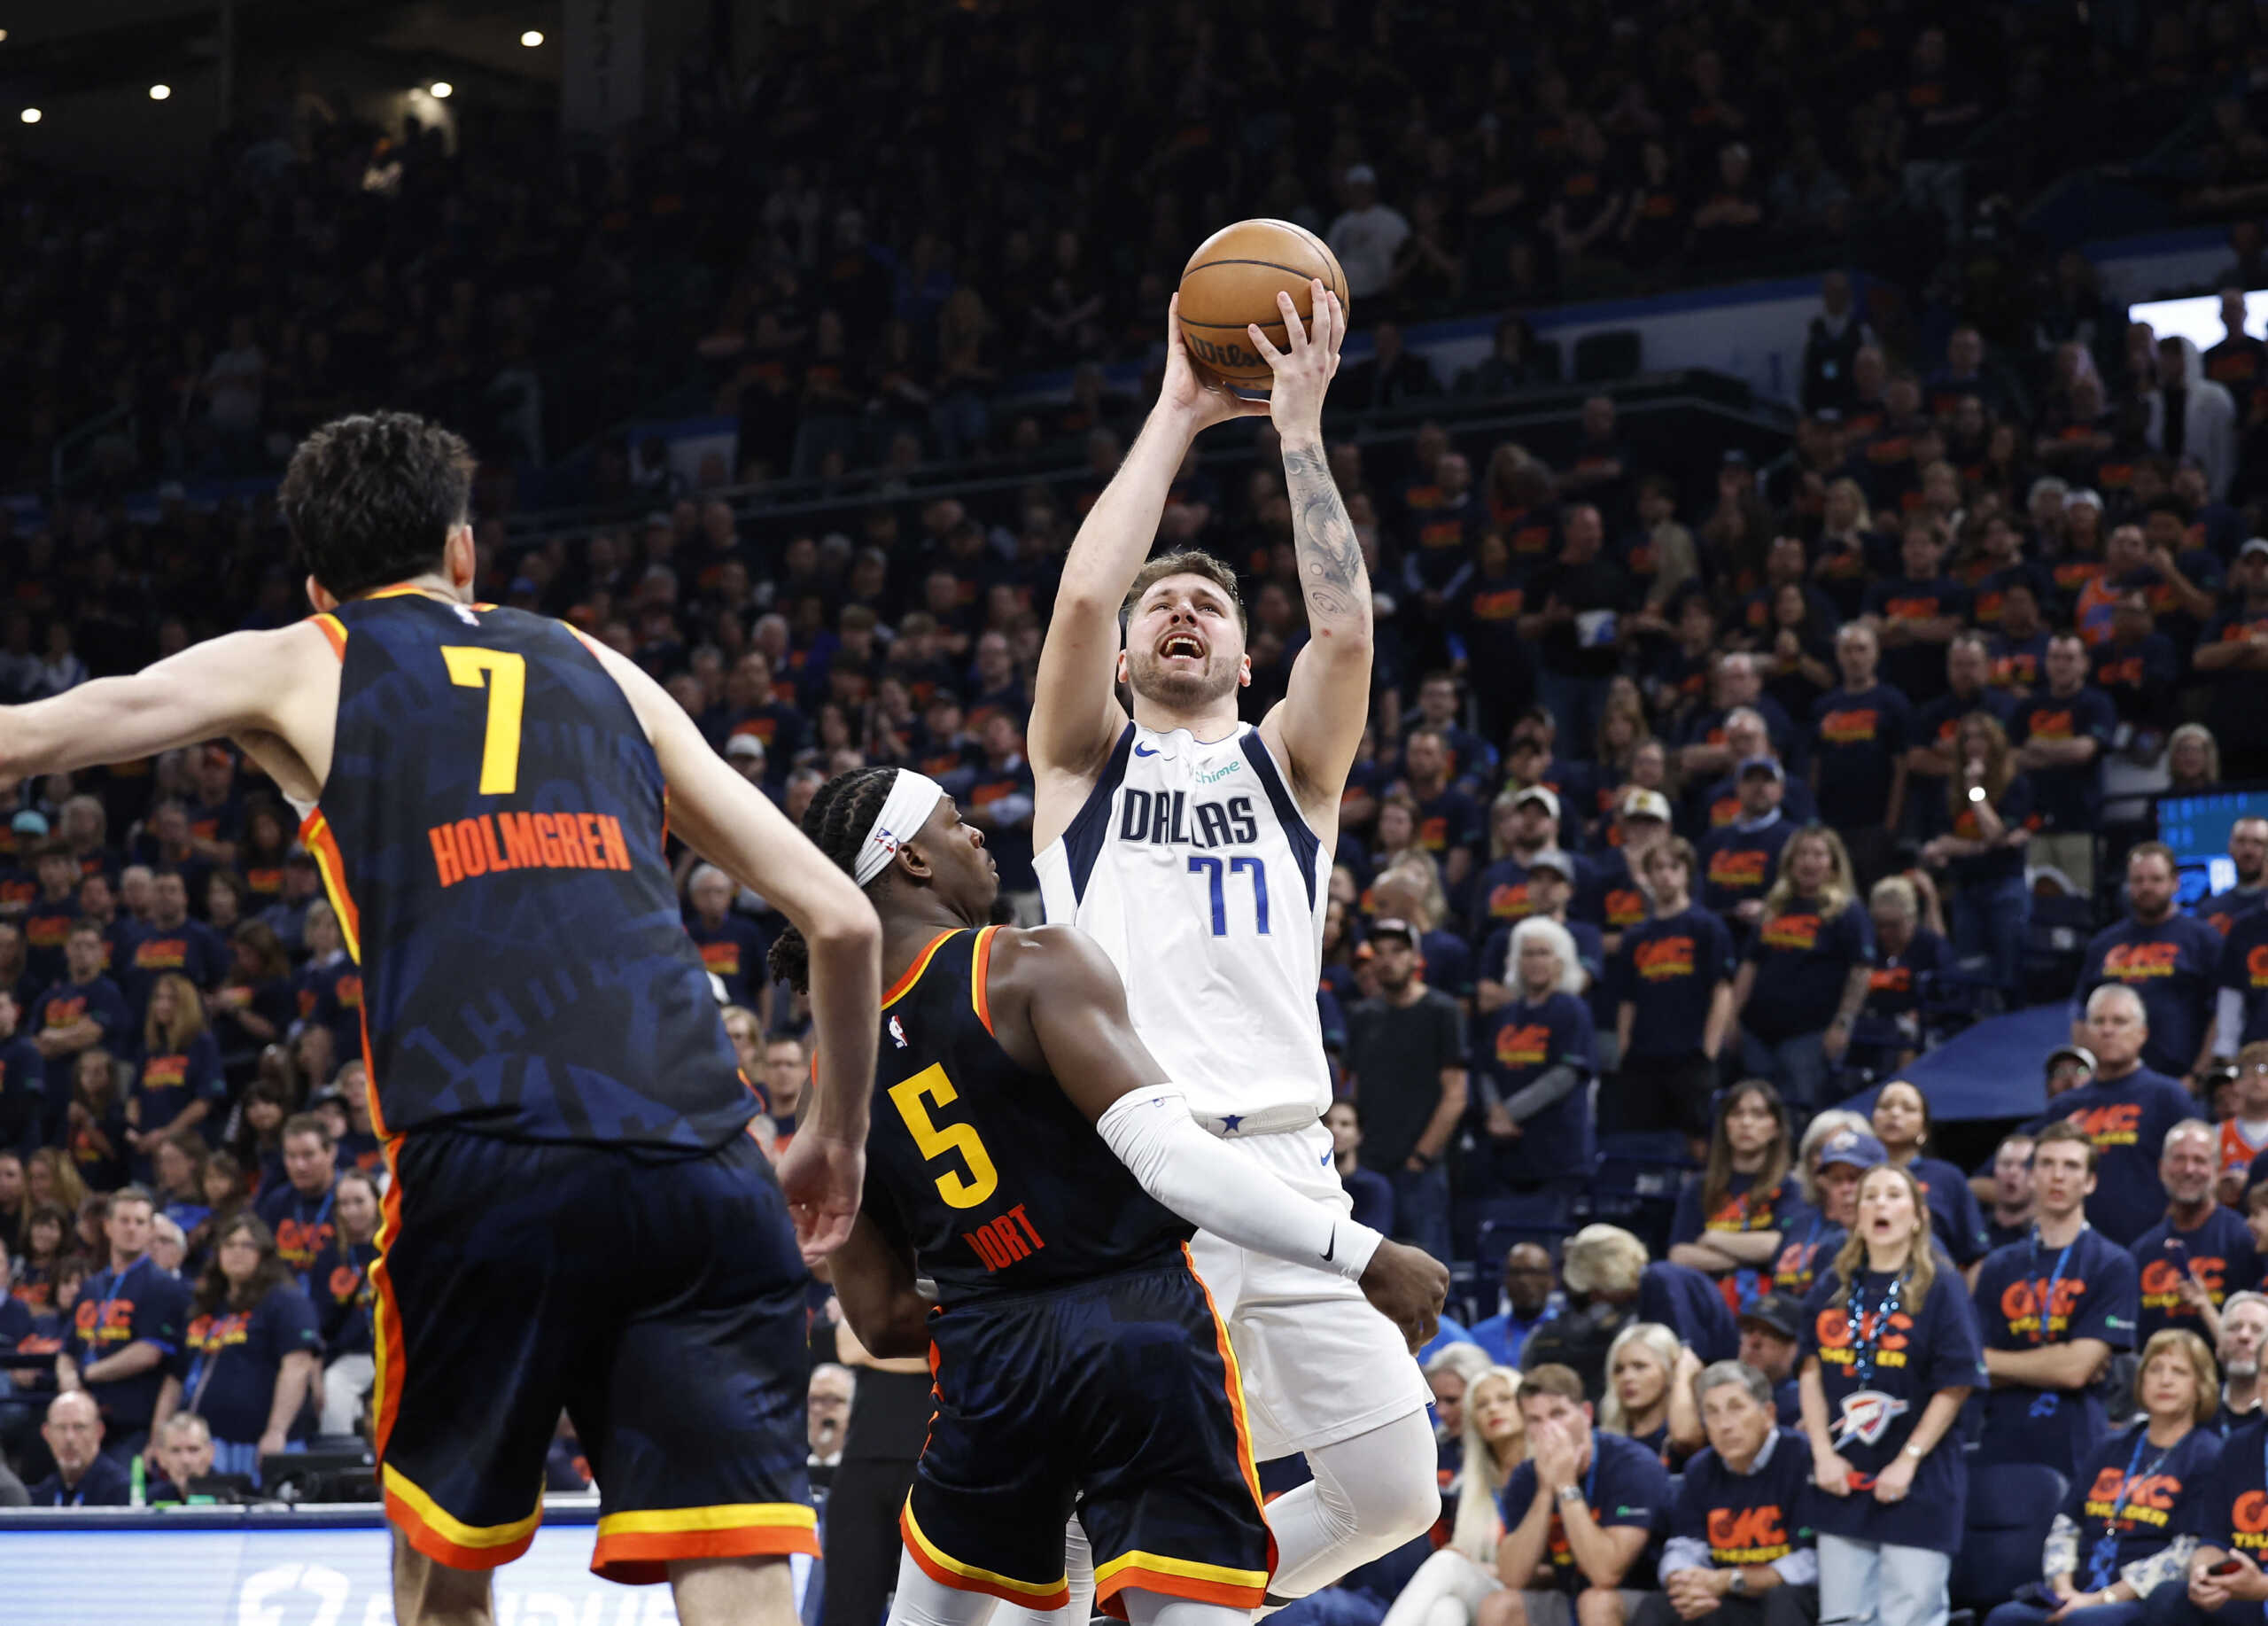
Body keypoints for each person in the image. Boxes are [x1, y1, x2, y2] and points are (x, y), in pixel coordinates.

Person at [0, 409, 885, 1622]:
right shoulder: (602, 665)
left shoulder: (308, 654)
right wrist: (834, 1134)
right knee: (730, 1567)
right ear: (464, 551)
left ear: (319, 581)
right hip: (704, 1162)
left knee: (441, 1580)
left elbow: (38, 735)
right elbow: (843, 922)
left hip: (491, 1150)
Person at [791, 766, 1446, 1626]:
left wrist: (1003, 1308)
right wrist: (1363, 1251)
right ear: (909, 857)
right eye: (954, 822)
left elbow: (877, 1320)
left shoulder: (825, 1077)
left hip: (989, 1355)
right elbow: (1168, 1157)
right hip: (1134, 1326)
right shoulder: (1028, 960)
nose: (977, 833)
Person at [1025, 284, 1442, 1607]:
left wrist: (1301, 434)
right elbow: (1088, 591)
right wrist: (1179, 410)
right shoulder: (1081, 765)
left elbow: (1351, 631)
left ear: (1248, 657)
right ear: (1134, 654)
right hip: (1141, 1177)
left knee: (1396, 1494)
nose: (1183, 613)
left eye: (1209, 602)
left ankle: (1187, 1603)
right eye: (1166, 611)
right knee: (1098, 1500)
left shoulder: (1291, 770)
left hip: (1292, 1161)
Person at [1797, 1164, 1984, 1626]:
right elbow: (1810, 1371)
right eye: (1870, 1197)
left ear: (1918, 1216)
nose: (1881, 1204)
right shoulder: (1831, 1287)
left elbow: (1955, 1383)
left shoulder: (1940, 1285)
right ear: (1857, 1216)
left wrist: (1908, 1459)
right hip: (1843, 1475)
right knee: (1844, 1618)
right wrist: (1822, 1455)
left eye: (1894, 1196)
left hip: (1920, 1480)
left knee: (1910, 1615)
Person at [1981, 1329, 2222, 1626]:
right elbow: (2066, 1527)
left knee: (2086, 1623)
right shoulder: (2110, 1447)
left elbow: (2184, 1554)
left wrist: (2099, 1600)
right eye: (2155, 1369)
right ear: (2141, 1379)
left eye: (2179, 1372)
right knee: (2006, 1618)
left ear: (2201, 1385)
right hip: (2077, 1592)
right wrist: (2064, 1590)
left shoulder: (2208, 1455)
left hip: (2140, 1600)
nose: (2165, 1380)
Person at [1973, 1123, 2140, 1478]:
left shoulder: (2113, 1263)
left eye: (2071, 1166)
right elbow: (1972, 1366)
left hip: (2078, 1449)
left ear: (2090, 1182)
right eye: (2047, 1164)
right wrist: (2055, 1362)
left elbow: (2076, 1370)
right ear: (2031, 1177)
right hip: (2002, 1445)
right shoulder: (1999, 1265)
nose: (2058, 1176)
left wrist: (2001, 1363)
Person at [1482, 1362, 1670, 1626]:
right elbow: (1512, 1577)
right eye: (1534, 1420)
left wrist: (1566, 1485)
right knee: (1499, 1605)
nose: (1548, 1429)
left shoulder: (1633, 1465)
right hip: (1569, 1597)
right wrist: (1546, 1491)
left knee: (1596, 1600)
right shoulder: (1526, 1477)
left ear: (1586, 1413)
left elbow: (1605, 1573)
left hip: (1641, 1600)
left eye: (1558, 1414)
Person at [1635, 1360, 1820, 1626]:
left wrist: (1731, 1579)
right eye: (1712, 1412)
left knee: (1785, 1598)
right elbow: (1684, 1544)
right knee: (1659, 1607)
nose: (1725, 1425)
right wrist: (1684, 1580)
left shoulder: (1802, 1457)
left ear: (1768, 1413)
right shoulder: (1700, 1468)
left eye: (1736, 1408)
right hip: (1726, 1594)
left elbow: (1810, 1563)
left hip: (1788, 1597)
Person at [152, 1210, 322, 1483]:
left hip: (259, 1444)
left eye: (247, 1245)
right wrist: (158, 1437)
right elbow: (175, 1377)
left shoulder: (285, 1301)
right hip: (203, 1447)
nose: (236, 1253)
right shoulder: (205, 1304)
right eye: (229, 1245)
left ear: (263, 1254)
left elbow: (297, 1368)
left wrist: (276, 1431)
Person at [1349, 918, 1471, 1264]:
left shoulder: (1442, 1011)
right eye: (1380, 952)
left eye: (1398, 951)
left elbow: (1456, 1094)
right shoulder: (1363, 1016)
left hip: (1419, 1169)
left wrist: (1421, 1158)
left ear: (1416, 958)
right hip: (1371, 1161)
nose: (1388, 960)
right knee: (1367, 1269)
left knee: (1428, 1268)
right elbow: (1354, 1089)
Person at [1731, 827, 1875, 1113]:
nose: (1809, 862)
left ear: (1833, 863)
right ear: (1790, 862)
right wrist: (1731, 1017)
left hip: (1809, 1035)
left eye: (1818, 854)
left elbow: (1861, 971)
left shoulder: (1847, 911)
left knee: (1798, 1113)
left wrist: (1843, 1023)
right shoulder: (1775, 907)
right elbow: (1750, 964)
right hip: (1755, 1034)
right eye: (1802, 854)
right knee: (1754, 1111)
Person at [2047, 986, 2202, 1246]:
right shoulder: (2063, 1107)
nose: (2108, 1030)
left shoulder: (2169, 1097)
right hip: (2077, 1253)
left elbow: (2199, 1172)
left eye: (2119, 1021)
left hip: (2152, 1249)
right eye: (2098, 1021)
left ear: (2142, 1033)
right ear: (2085, 1033)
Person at [1380, 1365, 1530, 1626]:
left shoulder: (1546, 1470)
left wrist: (1495, 1569)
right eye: (1482, 1405)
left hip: (1539, 1597)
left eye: (1504, 1399)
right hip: (1489, 1591)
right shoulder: (1472, 1484)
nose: (1493, 1409)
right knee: (1445, 1609)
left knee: (1447, 1564)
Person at [1612, 837, 1736, 1148]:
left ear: (1687, 873)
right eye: (1658, 868)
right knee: (1645, 1143)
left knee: (1698, 1143)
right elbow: (1627, 999)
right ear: (1648, 876)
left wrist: (1708, 1050)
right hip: (1645, 1055)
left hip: (1691, 1054)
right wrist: (1625, 1048)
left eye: (1674, 867)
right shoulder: (1636, 936)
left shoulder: (1707, 927)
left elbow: (1722, 990)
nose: (1666, 875)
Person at [57, 1183, 190, 1468]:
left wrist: (85, 1374)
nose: (132, 1229)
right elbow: (67, 1349)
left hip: (133, 1427)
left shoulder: (164, 1287)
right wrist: (68, 1382)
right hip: (84, 1425)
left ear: (151, 1231)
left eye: (140, 1222)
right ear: (107, 1227)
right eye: (124, 1221)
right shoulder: (91, 1286)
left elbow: (149, 1352)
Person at [2075, 844, 2225, 1085]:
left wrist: (2198, 1076)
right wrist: (2087, 1073)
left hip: (2182, 1080)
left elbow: (2221, 1016)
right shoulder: (2103, 944)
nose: (2146, 887)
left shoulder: (2204, 939)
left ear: (2175, 882)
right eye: (2138, 880)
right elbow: (2082, 1014)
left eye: (2156, 879)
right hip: (2113, 1083)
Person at [1472, 915, 1596, 1199]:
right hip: (1507, 1157)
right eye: (1527, 953)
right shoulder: (1503, 1015)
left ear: (1561, 960)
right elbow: (1485, 1070)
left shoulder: (1572, 1010)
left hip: (1558, 1155)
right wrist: (1494, 1112)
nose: (1535, 961)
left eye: (1544, 953)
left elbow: (1565, 1075)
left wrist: (1506, 1114)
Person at [1920, 711, 2033, 998]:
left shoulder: (2015, 785)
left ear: (1995, 741)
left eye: (1981, 737)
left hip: (2005, 888)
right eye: (1967, 738)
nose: (1973, 744)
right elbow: (1942, 841)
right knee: (1971, 973)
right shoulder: (1950, 790)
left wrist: (1976, 792)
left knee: (2009, 974)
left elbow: (1995, 833)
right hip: (1966, 889)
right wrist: (1979, 847)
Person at [1667, 1082, 1802, 1303]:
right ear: (1725, 1125)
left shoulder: (1790, 1188)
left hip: (1769, 1306)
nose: (1746, 1123)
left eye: (1758, 1114)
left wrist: (1711, 1238)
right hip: (1707, 1301)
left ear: (1776, 1127)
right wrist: (1750, 1256)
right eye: (1737, 1114)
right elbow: (1679, 1255)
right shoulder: (1698, 1187)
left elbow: (1777, 1246)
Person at [2132, 1123, 2259, 1346]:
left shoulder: (2245, 1239)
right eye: (2179, 1159)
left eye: (2200, 1160)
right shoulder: (2142, 1250)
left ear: (2218, 1170)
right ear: (2162, 1168)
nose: (2189, 1169)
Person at [2011, 634, 2115, 899]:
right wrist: (2063, 752)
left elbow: (2084, 752)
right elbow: (2012, 757)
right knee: (2035, 910)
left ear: (2084, 664)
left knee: (2080, 904)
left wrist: (2037, 747)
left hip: (2081, 824)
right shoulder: (2029, 706)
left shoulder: (2097, 703)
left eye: (2069, 658)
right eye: (2055, 658)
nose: (2061, 665)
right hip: (2033, 825)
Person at [1870, 1081, 1990, 1271]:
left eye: (1908, 1108)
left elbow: (1974, 1256)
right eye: (1885, 1106)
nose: (1894, 1113)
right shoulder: (1859, 1176)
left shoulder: (1948, 1178)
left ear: (1924, 1129)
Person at [314, 1168, 380, 1436]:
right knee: (332, 1388)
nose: (351, 1210)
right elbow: (319, 1323)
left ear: (377, 1201)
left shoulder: (396, 1248)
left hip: (395, 1351)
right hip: (350, 1358)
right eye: (343, 1203)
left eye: (359, 1201)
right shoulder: (329, 1258)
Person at [1599, 1321, 1705, 1467]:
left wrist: (1683, 1374)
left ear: (1670, 1370)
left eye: (1639, 1366)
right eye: (1619, 1370)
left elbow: (1684, 1437)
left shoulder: (1683, 1431)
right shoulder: (1606, 1441)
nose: (1627, 1377)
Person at [252, 1111, 337, 1289]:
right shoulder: (276, 1202)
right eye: (291, 1156)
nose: (299, 1166)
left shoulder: (350, 1201)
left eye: (308, 1155)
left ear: (330, 1153)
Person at [27, 1389, 132, 1505]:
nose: (69, 1438)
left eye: (79, 1427)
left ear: (99, 1431)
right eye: (61, 1427)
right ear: (46, 1433)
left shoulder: (121, 1492)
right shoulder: (43, 1495)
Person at [1472, 1245, 1562, 1368]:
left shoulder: (1567, 1333)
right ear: (1504, 1280)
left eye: (1533, 1272)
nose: (1523, 1280)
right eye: (1515, 1272)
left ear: (1552, 1280)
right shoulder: (1479, 1337)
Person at [1328, 1101, 1397, 1236]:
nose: (1335, 1130)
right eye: (1328, 1122)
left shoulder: (1374, 1186)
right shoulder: (1310, 1180)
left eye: (1345, 1124)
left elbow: (1375, 1242)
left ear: (1359, 1135)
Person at [1738, 1297, 1806, 1426]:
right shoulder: (1724, 1393)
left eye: (1769, 1333)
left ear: (1795, 1347)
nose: (1754, 1342)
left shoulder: (1804, 1406)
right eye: (1749, 1330)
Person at [2211, 1293, 2268, 1433]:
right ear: (2219, 1345)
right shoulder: (2196, 1407)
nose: (2244, 1336)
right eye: (2235, 1327)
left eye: (2257, 1329)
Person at [1983, 1133, 2039, 1252]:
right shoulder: (1975, 1229)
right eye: (2006, 1164)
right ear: (1995, 1171)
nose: (2013, 1172)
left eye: (2024, 1165)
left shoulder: (2047, 1236)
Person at [146, 1411, 217, 1503]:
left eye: (193, 1449)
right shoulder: (152, 1502)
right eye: (175, 1451)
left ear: (210, 1453)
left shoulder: (234, 1500)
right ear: (161, 1458)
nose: (185, 1460)